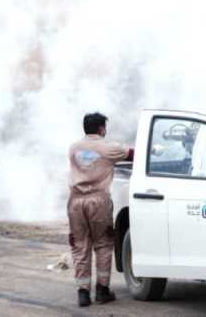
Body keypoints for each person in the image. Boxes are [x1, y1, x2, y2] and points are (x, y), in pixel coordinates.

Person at [67, 112, 133, 307]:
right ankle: (102, 290)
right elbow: (132, 154)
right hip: (98, 201)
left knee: (80, 245)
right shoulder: (109, 147)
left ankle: (83, 293)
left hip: (75, 201)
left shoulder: (73, 148)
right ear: (102, 128)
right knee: (103, 244)